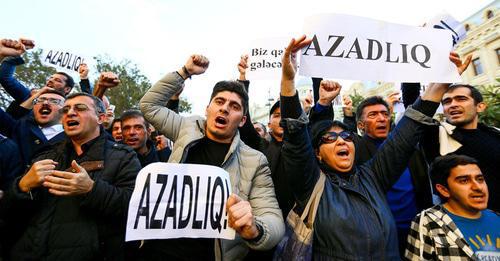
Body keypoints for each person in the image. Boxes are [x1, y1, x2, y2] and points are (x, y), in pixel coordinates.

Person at [279, 35, 450, 260]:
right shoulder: (310, 185)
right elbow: (295, 134)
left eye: (346, 136)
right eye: (330, 138)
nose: (341, 141)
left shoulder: (373, 176)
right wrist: (288, 80)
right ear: (317, 154)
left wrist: (441, 84)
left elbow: (408, 131)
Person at [139, 54, 284, 260]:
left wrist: (256, 229)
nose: (225, 108)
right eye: (219, 101)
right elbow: (148, 105)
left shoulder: (255, 160)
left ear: (242, 121)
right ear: (208, 109)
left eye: (234, 106)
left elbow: (274, 219)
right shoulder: (185, 128)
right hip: (158, 250)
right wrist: (184, 72)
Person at [6, 92, 141, 260]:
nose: (70, 113)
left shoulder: (123, 156)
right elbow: (11, 211)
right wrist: (22, 186)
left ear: (101, 118)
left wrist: (91, 189)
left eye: (80, 108)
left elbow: (135, 207)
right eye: (66, 110)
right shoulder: (44, 155)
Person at [402, 81, 500, 212]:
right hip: (462, 225)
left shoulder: (495, 134)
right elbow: (414, 106)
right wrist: (414, 69)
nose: (453, 105)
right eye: (447, 101)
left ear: (480, 106)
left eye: (461, 99)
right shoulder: (435, 135)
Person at [405, 154, 499, 260]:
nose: (478, 187)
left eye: (480, 179)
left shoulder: (497, 219)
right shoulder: (429, 222)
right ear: (444, 190)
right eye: (464, 181)